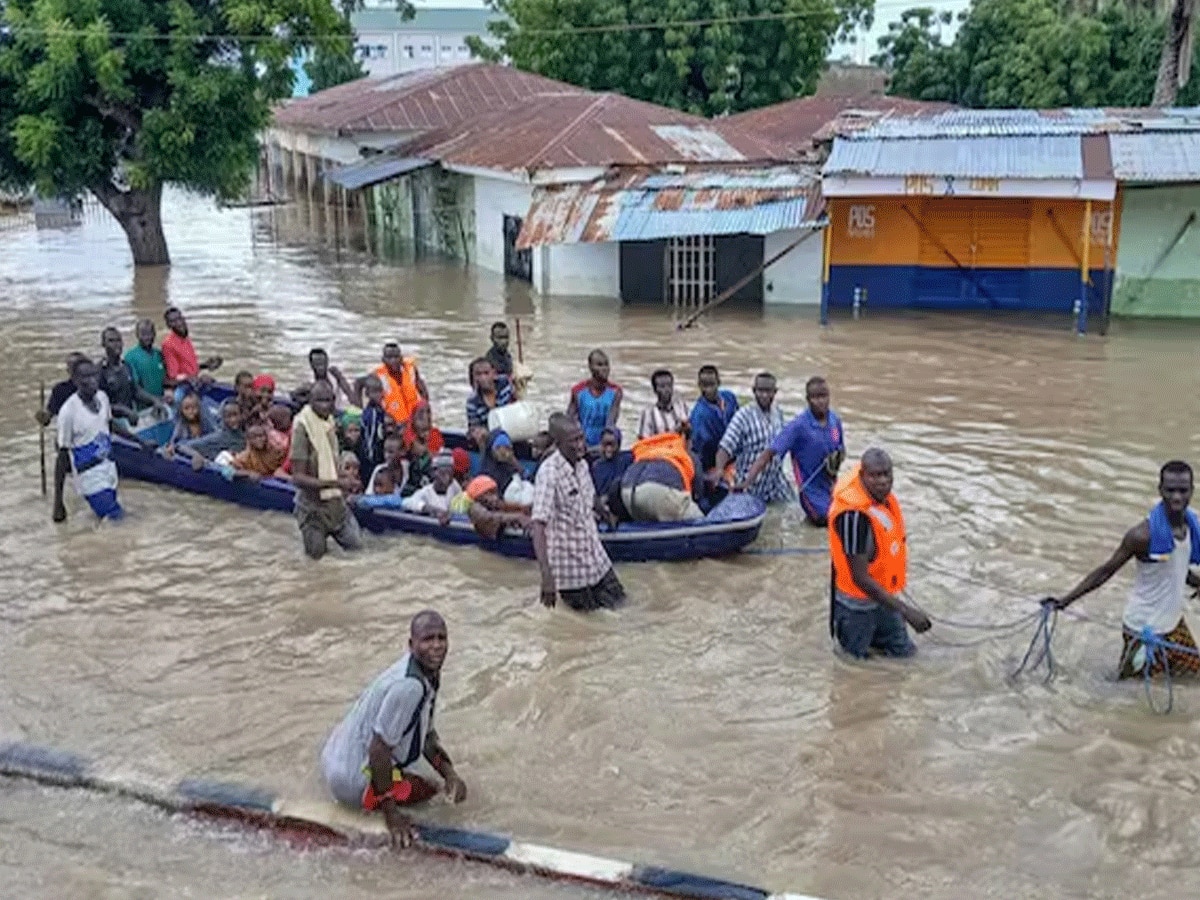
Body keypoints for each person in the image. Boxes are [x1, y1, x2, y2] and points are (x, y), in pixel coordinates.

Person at [320, 610, 467, 849]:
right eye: (428, 639)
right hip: (350, 779)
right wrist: (392, 815)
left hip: (335, 755)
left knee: (439, 782)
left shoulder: (424, 672)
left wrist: (450, 774)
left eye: (442, 638)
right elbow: (379, 750)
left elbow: (426, 736)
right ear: (411, 644)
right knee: (433, 794)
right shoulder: (410, 687)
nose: (437, 646)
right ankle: (372, 800)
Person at [1048, 461, 1200, 679]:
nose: (1177, 497)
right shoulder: (1141, 536)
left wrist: (1197, 583)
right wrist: (1064, 601)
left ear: (1192, 491)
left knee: (1193, 677)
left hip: (1174, 624)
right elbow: (1106, 571)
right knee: (1126, 691)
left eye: (1183, 491)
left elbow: (1176, 567)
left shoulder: (1191, 526)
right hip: (1143, 629)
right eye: (1170, 490)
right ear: (1160, 490)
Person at [828, 448, 931, 659]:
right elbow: (860, 578)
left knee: (906, 656)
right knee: (853, 666)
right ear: (863, 476)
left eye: (887, 474)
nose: (883, 481)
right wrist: (906, 611)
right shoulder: (854, 517)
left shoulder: (879, 500)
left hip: (884, 598)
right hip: (856, 608)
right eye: (875, 476)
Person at [532, 414, 625, 611]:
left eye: (581, 437)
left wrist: (606, 514)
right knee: (590, 626)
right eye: (574, 440)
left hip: (595, 557)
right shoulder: (549, 474)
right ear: (558, 444)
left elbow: (590, 496)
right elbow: (538, 525)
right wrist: (546, 577)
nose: (581, 444)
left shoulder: (582, 464)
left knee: (622, 604)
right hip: (570, 570)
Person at [737, 376, 845, 525]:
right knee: (828, 522)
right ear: (808, 399)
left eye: (824, 396)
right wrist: (746, 482)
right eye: (815, 397)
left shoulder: (835, 421)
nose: (821, 401)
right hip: (810, 491)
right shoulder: (798, 427)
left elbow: (840, 452)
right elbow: (768, 454)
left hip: (831, 486)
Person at [56, 358, 151, 521]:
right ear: (75, 380)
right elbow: (62, 455)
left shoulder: (102, 397)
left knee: (105, 520)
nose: (92, 381)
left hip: (109, 468)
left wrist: (140, 442)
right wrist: (58, 502)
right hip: (89, 475)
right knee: (119, 520)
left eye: (94, 375)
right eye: (85, 377)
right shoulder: (68, 411)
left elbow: (109, 425)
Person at [291, 382, 364, 559]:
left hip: (337, 506)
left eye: (329, 401)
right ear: (310, 401)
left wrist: (347, 479)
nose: (325, 406)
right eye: (320, 401)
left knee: (359, 552)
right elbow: (298, 478)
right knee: (316, 560)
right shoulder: (303, 428)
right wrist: (337, 483)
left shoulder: (329, 422)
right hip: (313, 510)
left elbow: (330, 463)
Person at [714, 373, 792, 504]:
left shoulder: (777, 413)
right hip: (749, 485)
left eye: (768, 391)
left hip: (776, 484)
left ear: (775, 392)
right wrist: (719, 470)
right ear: (754, 391)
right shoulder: (743, 416)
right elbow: (725, 447)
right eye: (760, 391)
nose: (764, 395)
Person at [35, 352, 85, 523]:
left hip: (88, 436)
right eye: (72, 368)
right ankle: (58, 501)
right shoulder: (61, 390)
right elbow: (49, 415)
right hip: (68, 439)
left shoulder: (93, 386)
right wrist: (44, 417)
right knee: (63, 460)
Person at [615, 430, 704, 522]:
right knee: (700, 523)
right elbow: (698, 493)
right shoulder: (683, 451)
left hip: (627, 492)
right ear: (686, 440)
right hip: (657, 491)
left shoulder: (647, 447)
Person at [98, 327, 166, 423]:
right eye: (111, 341)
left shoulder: (125, 366)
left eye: (118, 340)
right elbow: (99, 404)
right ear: (103, 344)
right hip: (112, 423)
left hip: (130, 418)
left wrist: (154, 400)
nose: (116, 344)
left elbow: (136, 391)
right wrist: (124, 411)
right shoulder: (100, 371)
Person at [364, 342, 427, 430]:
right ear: (383, 359)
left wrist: (425, 411)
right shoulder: (377, 376)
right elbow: (372, 400)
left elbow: (422, 389)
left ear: (401, 358)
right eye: (389, 357)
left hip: (416, 421)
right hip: (395, 426)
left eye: (396, 357)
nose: (393, 360)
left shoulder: (411, 368)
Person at [567, 350, 622, 448]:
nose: (605, 369)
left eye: (606, 365)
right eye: (600, 365)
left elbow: (611, 422)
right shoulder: (578, 391)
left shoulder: (615, 392)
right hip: (581, 443)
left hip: (604, 444)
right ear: (590, 367)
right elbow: (571, 420)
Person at [688, 365, 738, 473]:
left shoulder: (730, 398)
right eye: (704, 386)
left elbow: (740, 424)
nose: (708, 390)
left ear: (718, 383)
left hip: (735, 456)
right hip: (712, 463)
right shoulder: (699, 414)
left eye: (712, 385)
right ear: (699, 386)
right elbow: (700, 448)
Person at [451, 475, 532, 540]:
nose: (494, 497)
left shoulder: (494, 504)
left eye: (495, 493)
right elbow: (488, 517)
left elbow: (508, 507)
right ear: (479, 496)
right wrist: (516, 517)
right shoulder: (474, 507)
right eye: (489, 493)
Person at [172, 400, 246, 470]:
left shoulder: (247, 435)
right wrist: (196, 455)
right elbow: (181, 446)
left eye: (235, 415)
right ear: (223, 418)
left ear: (242, 415)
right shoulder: (219, 437)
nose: (233, 420)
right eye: (228, 416)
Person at [161, 307, 222, 391]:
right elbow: (174, 376)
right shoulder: (168, 344)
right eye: (174, 321)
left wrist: (205, 365)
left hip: (193, 382)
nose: (179, 323)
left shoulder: (185, 338)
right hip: (183, 388)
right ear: (169, 325)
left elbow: (186, 368)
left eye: (180, 318)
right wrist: (195, 379)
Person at [465, 358, 514, 447]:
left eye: (486, 373)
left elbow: (517, 397)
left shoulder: (505, 384)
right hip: (491, 440)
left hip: (513, 428)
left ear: (494, 374)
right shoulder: (472, 402)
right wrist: (478, 432)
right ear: (473, 377)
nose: (483, 378)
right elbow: (474, 426)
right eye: (478, 374)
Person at [402, 452, 462, 523]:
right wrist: (432, 510)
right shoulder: (426, 492)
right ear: (434, 473)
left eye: (450, 473)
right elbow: (406, 503)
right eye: (443, 473)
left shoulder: (454, 486)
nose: (447, 477)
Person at [480, 429, 533, 508]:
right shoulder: (486, 471)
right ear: (491, 450)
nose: (503, 452)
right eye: (498, 448)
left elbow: (530, 480)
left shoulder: (512, 466)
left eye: (507, 448)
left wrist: (514, 462)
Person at [124, 319, 168, 405]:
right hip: (143, 407)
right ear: (137, 335)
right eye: (143, 334)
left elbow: (165, 379)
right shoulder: (130, 357)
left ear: (155, 334)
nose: (147, 337)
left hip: (162, 401)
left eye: (150, 333)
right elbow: (135, 388)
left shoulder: (158, 354)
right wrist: (154, 400)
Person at [637, 369, 689, 440]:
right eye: (662, 387)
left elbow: (690, 435)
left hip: (680, 449)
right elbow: (644, 441)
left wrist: (687, 429)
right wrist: (675, 432)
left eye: (669, 385)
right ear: (655, 390)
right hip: (658, 449)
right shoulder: (648, 413)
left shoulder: (682, 407)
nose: (667, 390)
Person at [358, 374, 393, 475]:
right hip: (371, 459)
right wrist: (371, 459)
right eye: (374, 392)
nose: (378, 395)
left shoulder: (380, 410)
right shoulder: (371, 414)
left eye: (380, 391)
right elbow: (369, 439)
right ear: (367, 394)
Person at [590, 427, 630, 498]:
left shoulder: (626, 460)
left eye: (612, 445)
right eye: (605, 444)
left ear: (618, 445)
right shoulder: (596, 466)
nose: (609, 449)